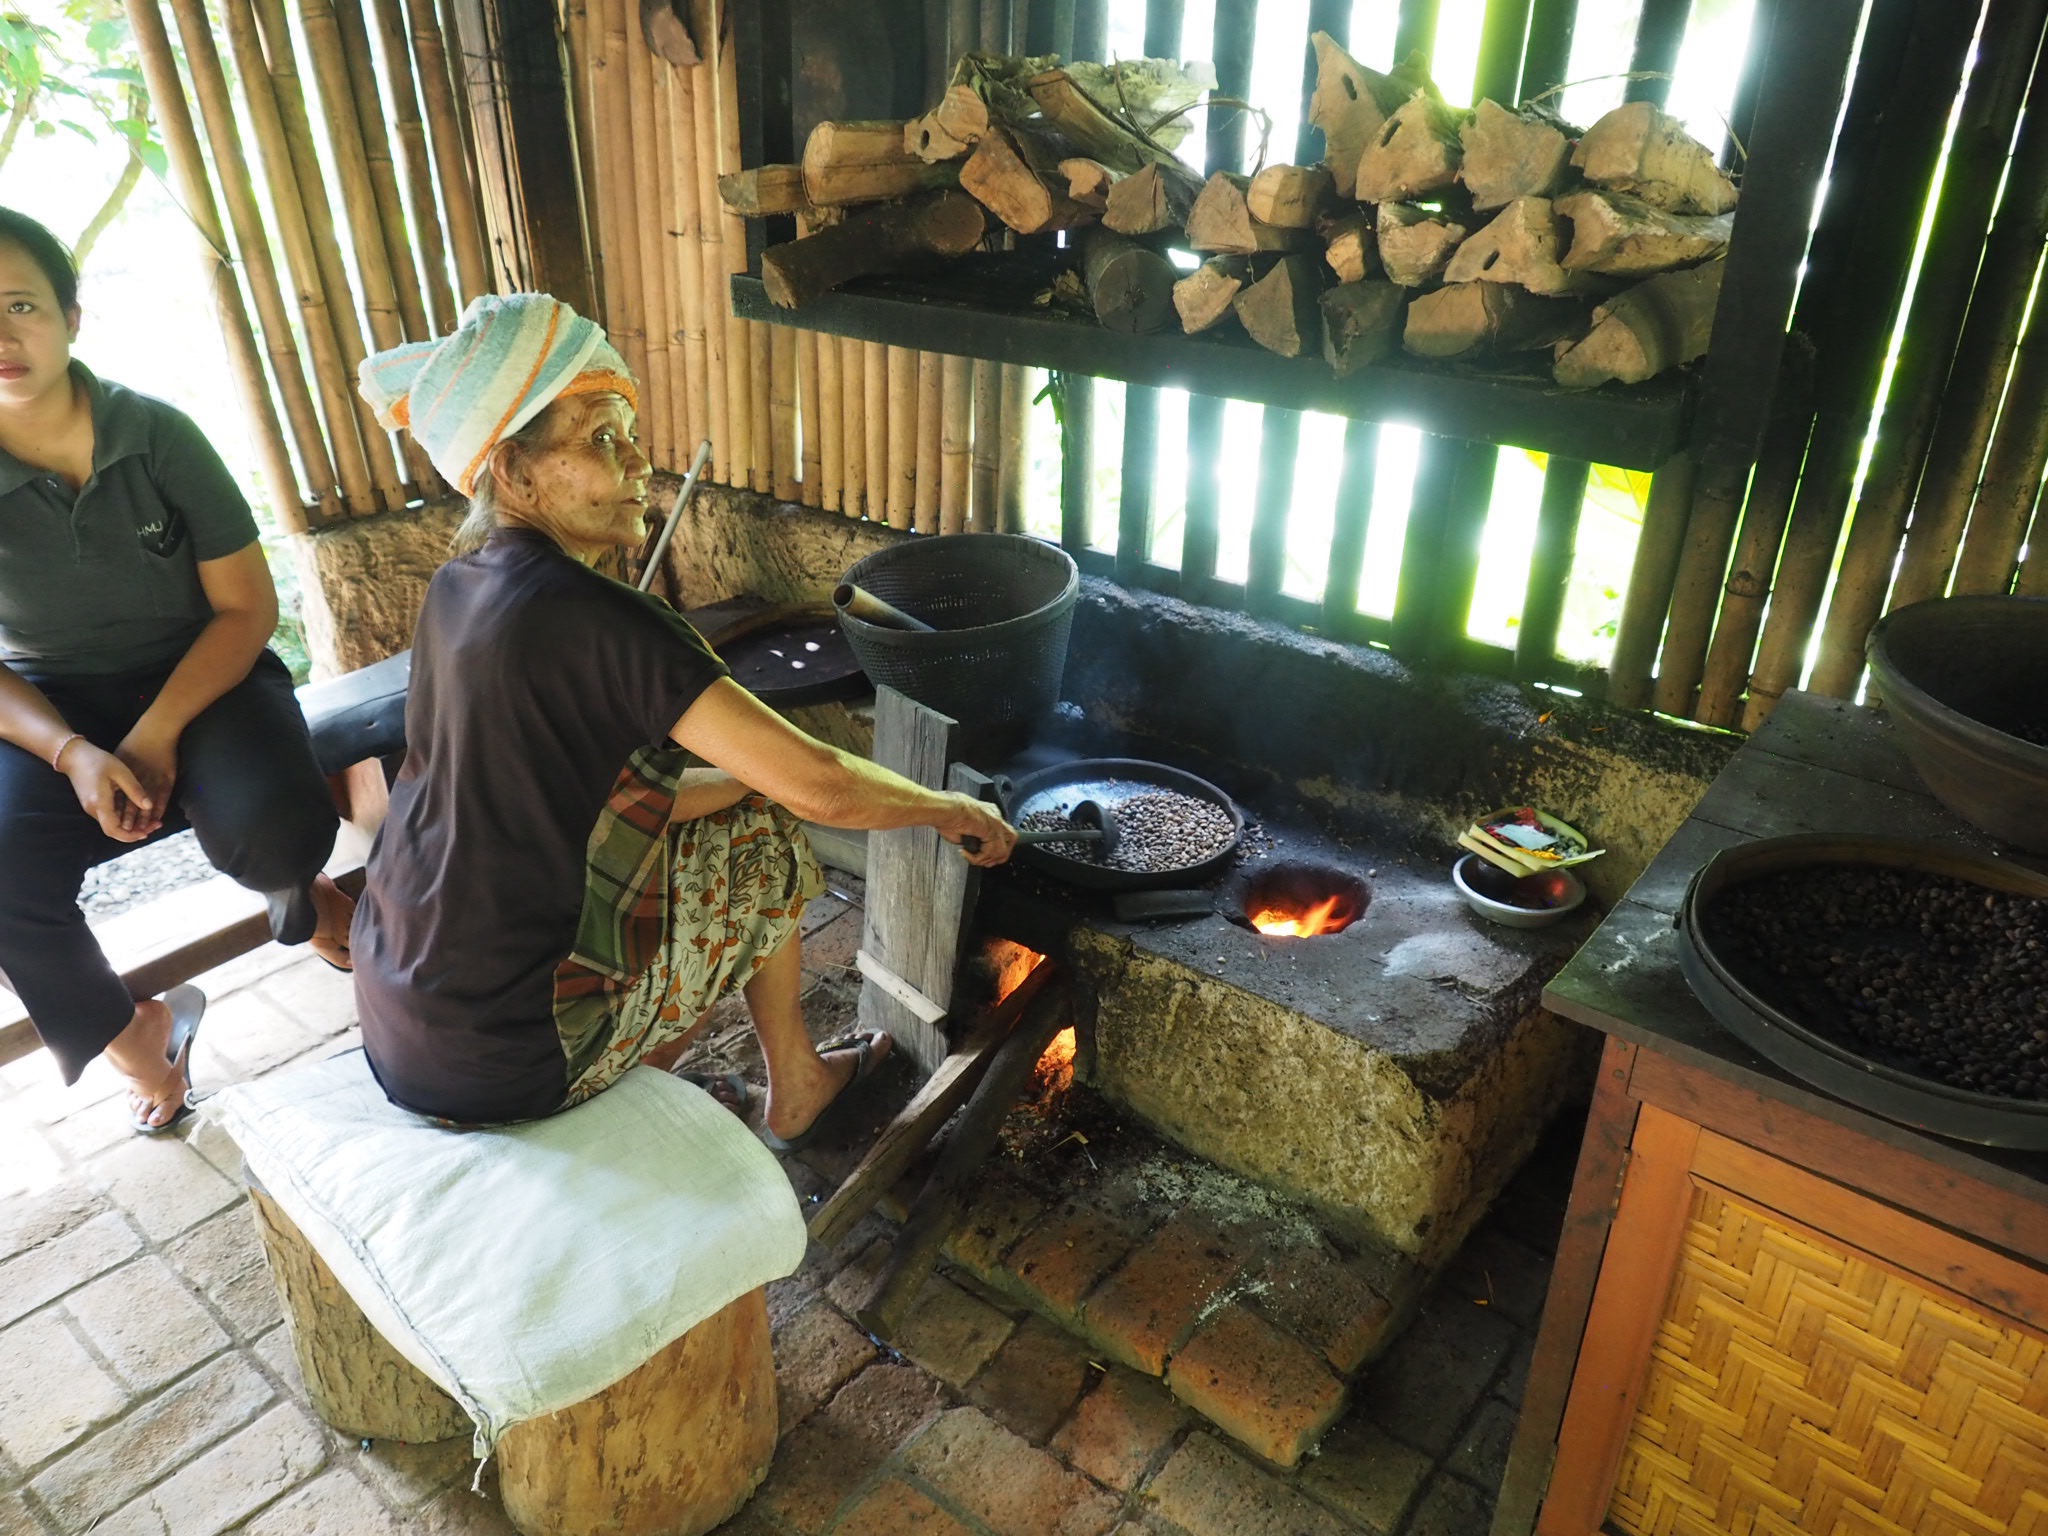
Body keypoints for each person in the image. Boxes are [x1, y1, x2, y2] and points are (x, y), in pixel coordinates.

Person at [350, 293, 1016, 1139]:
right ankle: (788, 1086)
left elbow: (592, 798)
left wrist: (745, 782)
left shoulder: (457, 590)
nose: (638, 461)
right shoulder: (606, 620)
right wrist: (952, 810)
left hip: (403, 1015)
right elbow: (819, 784)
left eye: (629, 433)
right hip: (510, 1056)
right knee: (766, 845)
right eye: (601, 438)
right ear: (514, 471)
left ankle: (669, 1073)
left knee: (745, 810)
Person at [0, 207, 354, 1132]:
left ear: (72, 319)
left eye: (21, 306)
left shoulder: (157, 436)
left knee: (279, 832)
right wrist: (74, 753)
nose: (1, 338)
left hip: (203, 675)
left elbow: (246, 609)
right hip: (44, 701)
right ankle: (136, 1039)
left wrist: (156, 734)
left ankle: (300, 892)